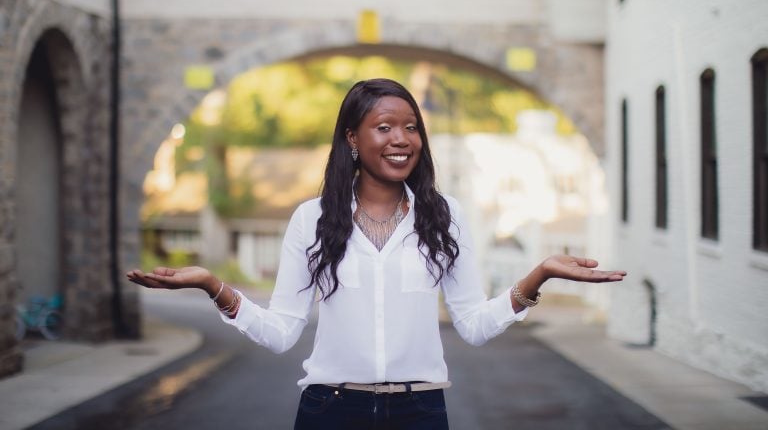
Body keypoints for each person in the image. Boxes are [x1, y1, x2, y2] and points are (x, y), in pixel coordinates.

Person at [127, 78, 626, 429]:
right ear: (352, 138)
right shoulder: (312, 219)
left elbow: (473, 324)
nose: (401, 140)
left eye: (410, 128)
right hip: (330, 411)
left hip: (422, 412)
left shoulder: (444, 216)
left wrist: (536, 276)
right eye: (384, 127)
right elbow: (282, 332)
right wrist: (213, 287)